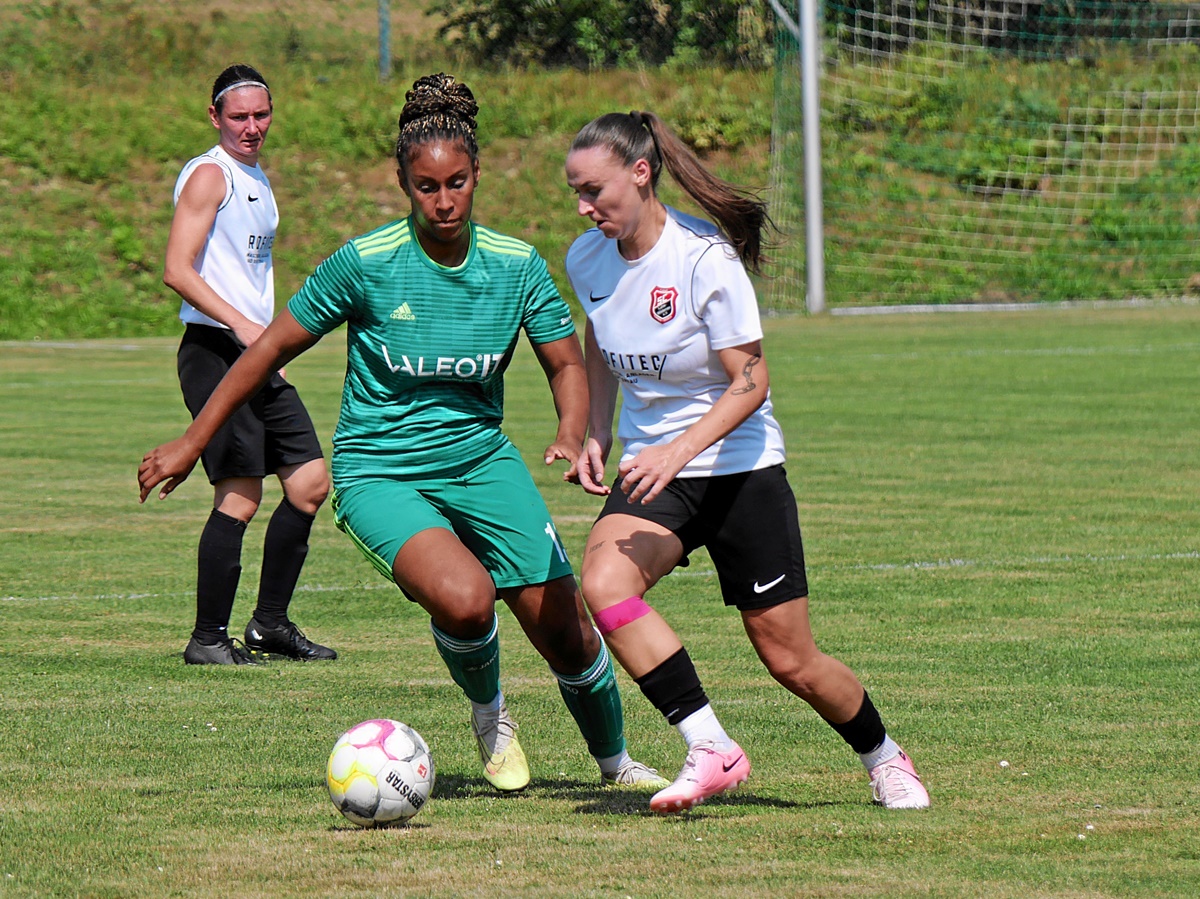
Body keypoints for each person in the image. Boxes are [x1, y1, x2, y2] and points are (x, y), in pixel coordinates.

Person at [141, 73, 665, 793]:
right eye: (426, 187)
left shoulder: (515, 266)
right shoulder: (366, 262)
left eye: (457, 183)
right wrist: (194, 439)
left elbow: (567, 362)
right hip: (381, 469)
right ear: (403, 184)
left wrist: (572, 434)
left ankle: (617, 764)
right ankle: (492, 716)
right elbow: (265, 351)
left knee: (566, 628)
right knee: (466, 597)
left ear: (477, 175)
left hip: (481, 461)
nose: (443, 201)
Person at [563, 111, 931, 813]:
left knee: (790, 658)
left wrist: (677, 449)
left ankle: (885, 756)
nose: (584, 207)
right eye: (576, 193)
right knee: (606, 586)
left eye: (593, 191)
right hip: (657, 474)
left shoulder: (704, 258)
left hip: (741, 471)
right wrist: (597, 431)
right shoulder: (588, 257)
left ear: (639, 174)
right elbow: (600, 339)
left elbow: (751, 381)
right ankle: (710, 747)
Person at [162, 63, 335, 665]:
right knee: (240, 495)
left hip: (256, 354)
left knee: (309, 484)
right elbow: (177, 269)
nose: (252, 126)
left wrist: (267, 346)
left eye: (262, 115)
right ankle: (208, 639)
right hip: (215, 351)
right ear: (215, 117)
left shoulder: (254, 177)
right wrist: (243, 326)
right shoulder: (211, 174)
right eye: (239, 116)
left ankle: (269, 627)